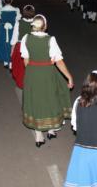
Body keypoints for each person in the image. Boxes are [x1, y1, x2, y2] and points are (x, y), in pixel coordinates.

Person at [21, 15, 73, 147]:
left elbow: (26, 60)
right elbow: (58, 61)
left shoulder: (26, 38)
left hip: (32, 73)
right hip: (47, 73)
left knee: (35, 100)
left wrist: (34, 69)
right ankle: (50, 129)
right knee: (51, 98)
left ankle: (38, 135)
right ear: (45, 26)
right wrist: (69, 76)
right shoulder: (50, 40)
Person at [10, 5, 35, 90]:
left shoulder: (18, 23)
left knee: (20, 68)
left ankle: (22, 84)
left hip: (20, 46)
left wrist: (12, 51)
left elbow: (14, 38)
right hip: (32, 46)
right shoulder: (36, 23)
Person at [0, 0, 20, 68]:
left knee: (3, 43)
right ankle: (11, 62)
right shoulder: (16, 10)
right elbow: (17, 19)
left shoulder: (0, 10)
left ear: (4, 1)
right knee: (12, 44)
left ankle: (5, 62)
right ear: (11, 1)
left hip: (2, 29)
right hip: (12, 29)